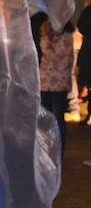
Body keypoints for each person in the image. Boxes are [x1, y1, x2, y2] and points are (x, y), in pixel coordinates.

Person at [39, 16, 75, 155]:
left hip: (59, 83)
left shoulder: (66, 37)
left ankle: (59, 145)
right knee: (46, 113)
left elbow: (54, 56)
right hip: (46, 82)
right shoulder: (48, 36)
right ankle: (48, 143)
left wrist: (47, 38)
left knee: (58, 114)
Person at [76, 0, 91, 125]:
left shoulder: (87, 11)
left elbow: (81, 26)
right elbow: (80, 26)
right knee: (86, 82)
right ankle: (87, 112)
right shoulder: (87, 11)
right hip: (87, 51)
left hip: (87, 50)